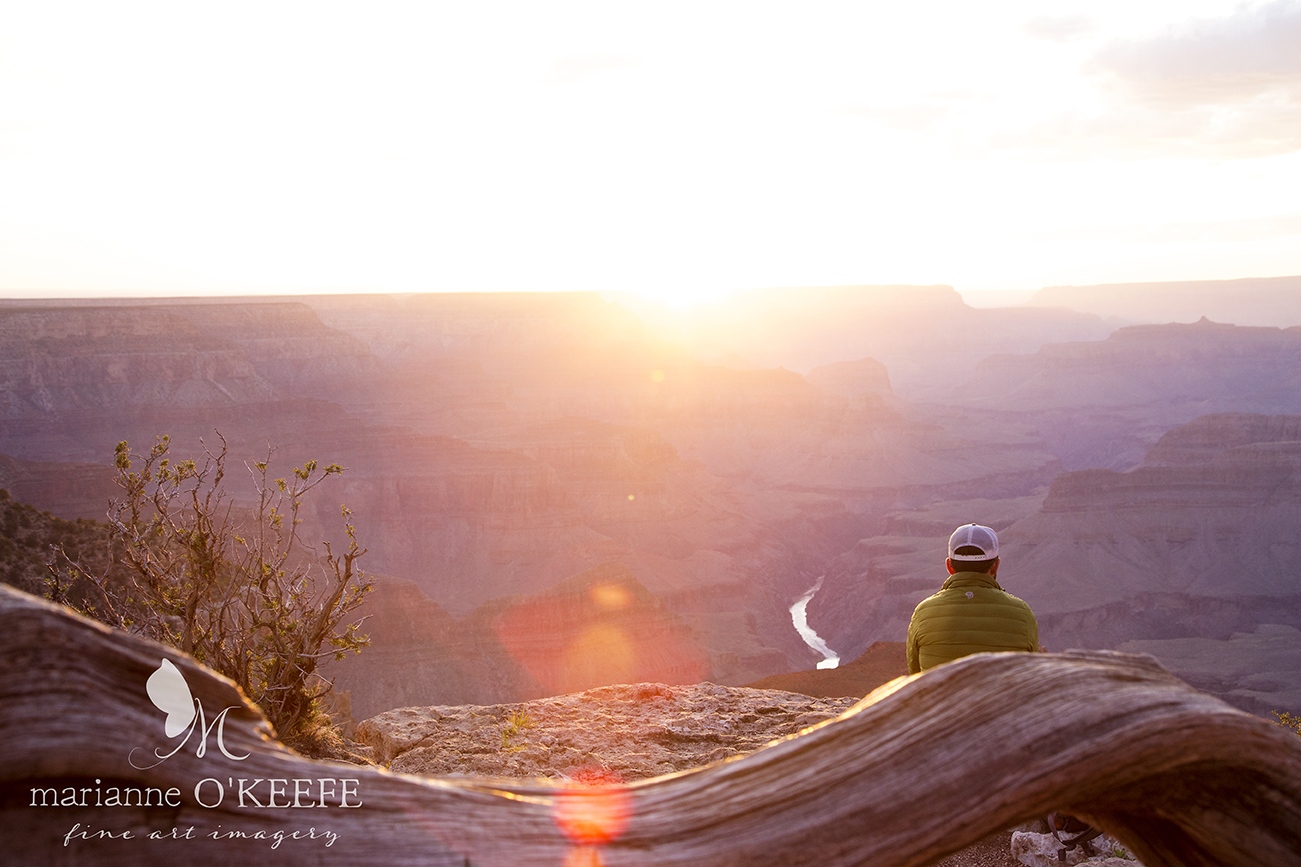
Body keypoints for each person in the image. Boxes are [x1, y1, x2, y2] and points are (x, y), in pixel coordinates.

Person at [905, 523, 1038, 675]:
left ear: (949, 566)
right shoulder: (1023, 614)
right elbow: (1030, 675)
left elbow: (914, 676)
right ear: (995, 566)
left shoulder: (923, 614)